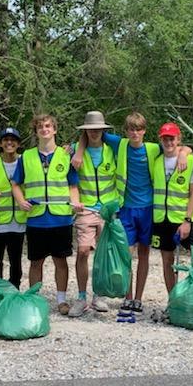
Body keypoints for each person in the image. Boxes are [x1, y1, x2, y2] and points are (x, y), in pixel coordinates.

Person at [72, 112, 191, 314]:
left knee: (144, 253)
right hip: (126, 207)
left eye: (139, 129)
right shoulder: (120, 144)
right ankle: (127, 297)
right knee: (125, 254)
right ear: (126, 131)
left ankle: (138, 298)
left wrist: (183, 154)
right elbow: (89, 134)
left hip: (148, 209)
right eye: (131, 129)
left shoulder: (153, 148)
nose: (135, 133)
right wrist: (78, 151)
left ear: (144, 131)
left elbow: (180, 147)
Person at [11, 113, 81, 315]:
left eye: (48, 126)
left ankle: (61, 300)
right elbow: (15, 184)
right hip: (37, 219)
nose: (44, 129)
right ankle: (34, 300)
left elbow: (72, 185)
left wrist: (75, 202)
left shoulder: (66, 155)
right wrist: (21, 201)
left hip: (61, 218)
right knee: (36, 262)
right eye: (40, 127)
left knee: (61, 261)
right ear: (36, 132)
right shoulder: (26, 157)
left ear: (54, 129)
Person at [151, 122, 193, 294]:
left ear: (178, 139)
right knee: (167, 261)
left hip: (184, 219)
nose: (169, 142)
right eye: (165, 139)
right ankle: (173, 298)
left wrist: (187, 221)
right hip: (162, 219)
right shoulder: (156, 161)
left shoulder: (190, 161)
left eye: (172, 139)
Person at [70, 111, 117, 317]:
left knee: (103, 254)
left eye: (98, 129)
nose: (94, 132)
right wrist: (75, 201)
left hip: (108, 209)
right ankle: (81, 297)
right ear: (85, 131)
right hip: (86, 208)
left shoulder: (113, 149)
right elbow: (72, 182)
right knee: (83, 251)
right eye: (90, 129)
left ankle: (99, 295)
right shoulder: (74, 151)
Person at [0, 127, 26, 289]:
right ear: (1, 144)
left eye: (13, 140)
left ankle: (14, 289)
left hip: (18, 221)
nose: (9, 143)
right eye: (6, 140)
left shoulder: (25, 161)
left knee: (16, 260)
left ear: (18, 144)